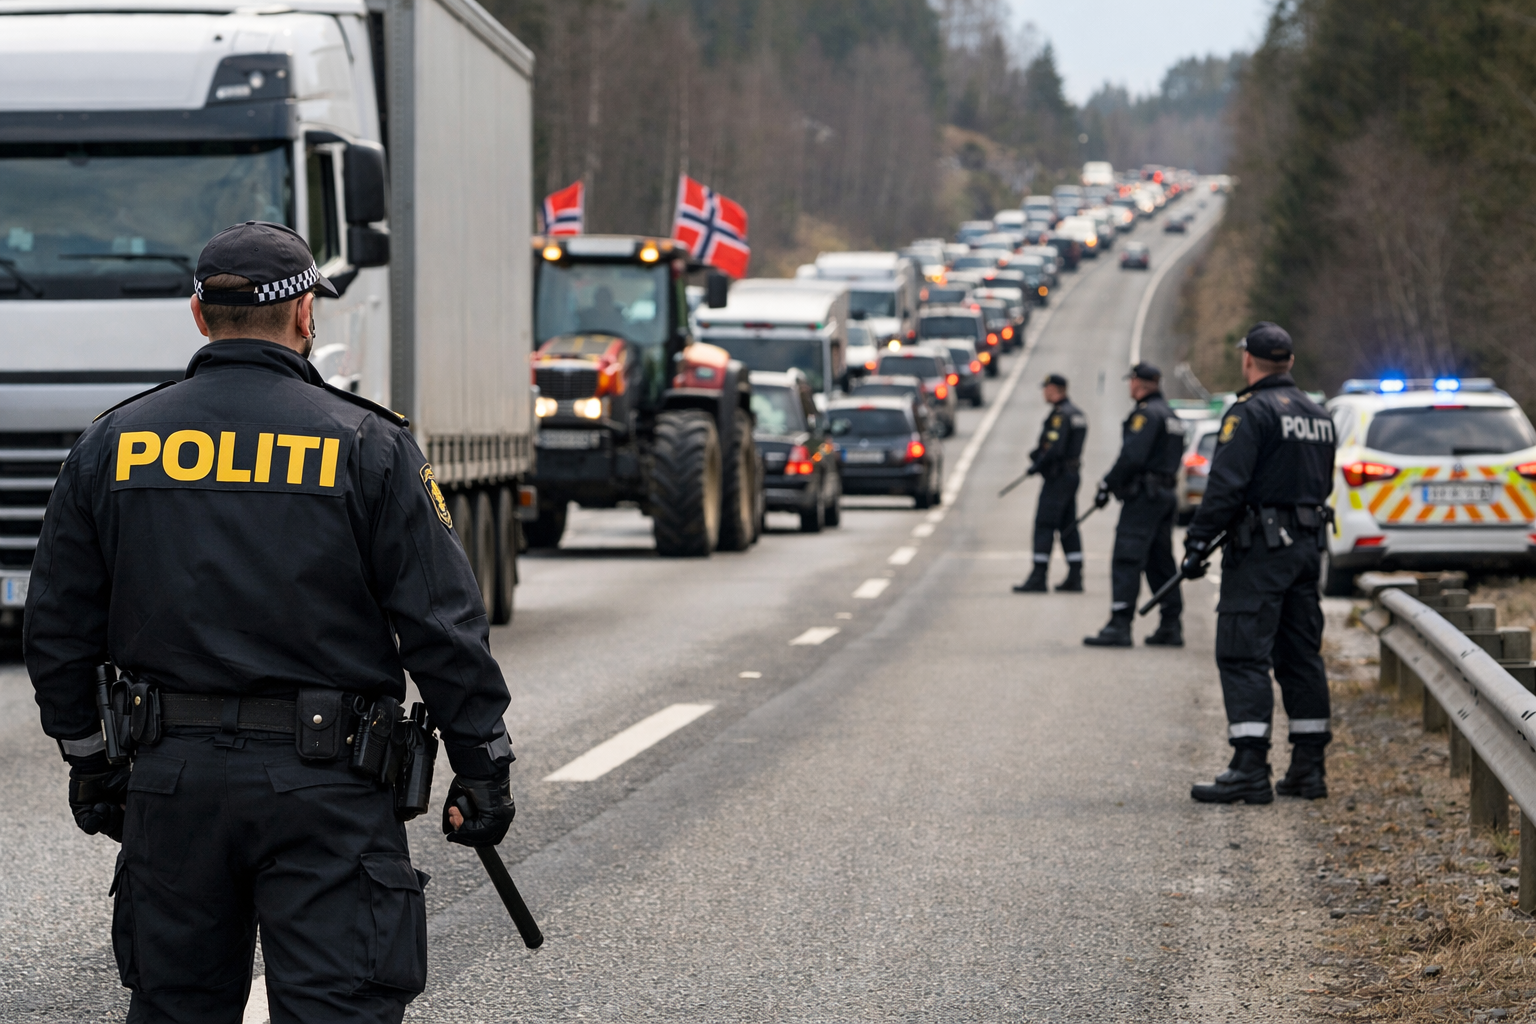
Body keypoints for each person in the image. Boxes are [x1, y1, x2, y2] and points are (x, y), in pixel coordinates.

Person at [25, 221, 516, 1023]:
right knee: (337, 1009)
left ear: (198, 315)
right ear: (305, 317)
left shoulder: (113, 442)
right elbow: (442, 622)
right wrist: (483, 763)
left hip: (171, 781)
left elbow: (56, 626)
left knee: (176, 1008)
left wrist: (92, 759)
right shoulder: (367, 443)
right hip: (329, 787)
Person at [1185, 322, 1335, 804]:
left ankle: (1250, 768)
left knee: (1242, 652)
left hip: (1261, 552)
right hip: (1307, 550)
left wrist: (1197, 543)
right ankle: (1309, 770)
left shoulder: (1250, 413)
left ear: (1248, 359)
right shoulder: (1318, 414)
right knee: (1300, 655)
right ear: (1288, 362)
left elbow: (1226, 486)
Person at [1083, 362, 1185, 648]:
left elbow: (1132, 457)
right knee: (1160, 560)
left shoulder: (1146, 415)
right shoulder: (1171, 415)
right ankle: (1171, 623)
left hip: (1145, 497)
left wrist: (1107, 484)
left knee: (1127, 557)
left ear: (1140, 384)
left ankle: (1119, 624)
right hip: (1165, 495)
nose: (1130, 386)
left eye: (1131, 381)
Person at [1014, 373, 1088, 592]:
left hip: (1058, 477)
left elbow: (1054, 448)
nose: (1044, 393)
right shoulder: (1077, 414)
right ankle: (1076, 574)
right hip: (1071, 475)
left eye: (1046, 388)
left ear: (1055, 389)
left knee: (1044, 525)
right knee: (1068, 526)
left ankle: (1039, 575)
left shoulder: (1060, 416)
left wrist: (1037, 465)